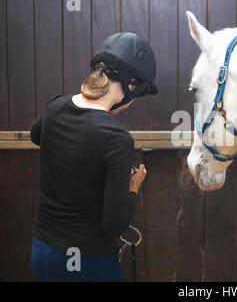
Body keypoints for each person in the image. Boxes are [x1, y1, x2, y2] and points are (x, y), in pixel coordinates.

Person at [30, 32, 158, 281]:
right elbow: (114, 225)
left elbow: (38, 135)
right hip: (85, 263)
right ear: (131, 84)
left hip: (41, 253)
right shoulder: (116, 137)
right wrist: (132, 188)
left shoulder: (55, 106)